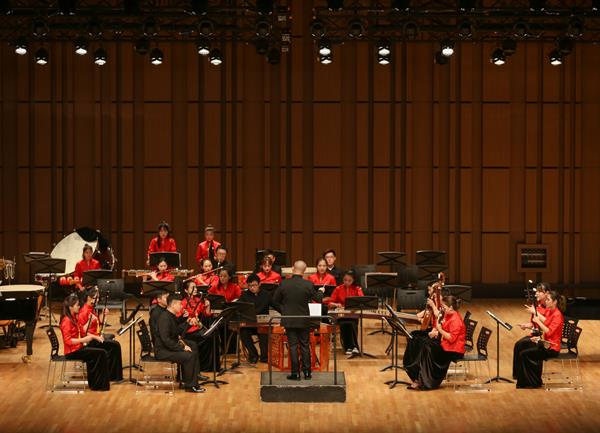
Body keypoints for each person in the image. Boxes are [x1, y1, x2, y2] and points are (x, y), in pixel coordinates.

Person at [272, 260, 325, 380]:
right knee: (305, 345)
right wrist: (321, 292)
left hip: (289, 319)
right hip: (304, 320)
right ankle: (307, 373)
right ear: (304, 271)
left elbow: (274, 301)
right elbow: (318, 299)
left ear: (292, 268)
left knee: (293, 346)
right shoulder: (308, 284)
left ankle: (295, 373)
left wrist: (284, 311)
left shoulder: (284, 284)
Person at [405, 295, 466, 390]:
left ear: (450, 307)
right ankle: (417, 375)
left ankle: (425, 381)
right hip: (446, 344)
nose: (442, 309)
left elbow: (451, 338)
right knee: (421, 342)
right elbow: (445, 329)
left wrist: (439, 330)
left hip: (453, 350)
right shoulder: (448, 314)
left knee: (427, 348)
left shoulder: (456, 320)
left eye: (444, 307)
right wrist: (437, 332)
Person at [154, 292, 205, 393]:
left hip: (169, 347)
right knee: (189, 356)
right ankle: (190, 385)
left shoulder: (171, 315)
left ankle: (190, 379)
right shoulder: (164, 318)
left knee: (193, 345)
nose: (182, 306)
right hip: (162, 351)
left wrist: (188, 323)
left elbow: (176, 331)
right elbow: (166, 339)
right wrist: (182, 347)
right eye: (180, 304)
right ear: (173, 304)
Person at [513, 290, 565, 389]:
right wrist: (538, 339)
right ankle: (530, 382)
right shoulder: (550, 311)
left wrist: (537, 321)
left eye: (548, 300)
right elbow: (546, 325)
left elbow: (549, 331)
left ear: (555, 302)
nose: (546, 301)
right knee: (523, 350)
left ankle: (532, 383)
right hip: (546, 345)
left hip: (552, 349)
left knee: (524, 354)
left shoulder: (558, 315)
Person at [59, 293, 111, 391]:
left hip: (79, 348)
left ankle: (97, 384)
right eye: (77, 305)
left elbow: (82, 331)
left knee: (100, 352)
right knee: (101, 353)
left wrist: (90, 324)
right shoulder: (66, 321)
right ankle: (98, 385)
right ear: (70, 307)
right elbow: (68, 341)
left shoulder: (74, 317)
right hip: (72, 352)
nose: (79, 307)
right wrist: (83, 340)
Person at [78, 287, 123, 382]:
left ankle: (112, 374)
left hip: (96, 336)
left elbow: (99, 322)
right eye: (96, 298)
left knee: (115, 345)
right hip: (90, 341)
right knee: (114, 346)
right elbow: (82, 332)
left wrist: (103, 314)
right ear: (89, 298)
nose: (97, 300)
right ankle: (112, 376)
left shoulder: (91, 308)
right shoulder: (84, 311)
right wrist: (96, 337)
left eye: (98, 298)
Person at [512, 282, 550, 379]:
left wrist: (535, 312)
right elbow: (534, 323)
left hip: (543, 337)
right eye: (536, 291)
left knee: (522, 345)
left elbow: (548, 324)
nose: (536, 293)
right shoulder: (538, 306)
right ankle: (519, 374)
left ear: (546, 293)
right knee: (518, 345)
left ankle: (528, 375)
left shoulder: (550, 307)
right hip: (535, 334)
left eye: (539, 292)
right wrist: (526, 325)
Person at [179, 280, 219, 372]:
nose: (195, 289)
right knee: (207, 337)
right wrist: (189, 320)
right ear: (186, 290)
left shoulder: (198, 300)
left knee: (214, 335)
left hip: (197, 328)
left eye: (196, 287)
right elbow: (180, 318)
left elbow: (207, 314)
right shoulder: (183, 302)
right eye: (192, 287)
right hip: (188, 330)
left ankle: (212, 366)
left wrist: (208, 306)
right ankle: (203, 366)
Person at [238, 274, 272, 363]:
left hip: (262, 324)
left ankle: (264, 357)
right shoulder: (244, 295)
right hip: (250, 324)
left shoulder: (266, 294)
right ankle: (253, 354)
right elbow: (238, 306)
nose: (252, 288)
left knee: (263, 331)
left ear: (259, 284)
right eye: (250, 286)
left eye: (254, 285)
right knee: (243, 332)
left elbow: (276, 305)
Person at [328, 270, 363, 355]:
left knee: (352, 323)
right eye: (345, 280)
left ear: (354, 280)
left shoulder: (357, 289)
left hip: (352, 314)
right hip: (341, 315)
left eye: (349, 280)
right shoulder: (338, 289)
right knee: (346, 323)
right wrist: (336, 304)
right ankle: (349, 347)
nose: (346, 282)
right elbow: (330, 303)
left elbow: (362, 301)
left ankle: (353, 347)